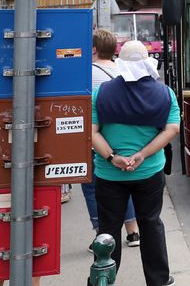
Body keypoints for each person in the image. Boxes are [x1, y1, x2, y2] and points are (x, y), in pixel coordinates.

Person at [91, 40, 181, 286]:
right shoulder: (165, 93)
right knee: (151, 223)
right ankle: (158, 280)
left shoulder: (102, 92)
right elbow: (172, 129)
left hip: (109, 175)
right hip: (149, 172)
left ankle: (103, 280)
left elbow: (92, 132)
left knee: (108, 229)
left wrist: (112, 157)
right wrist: (142, 154)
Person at [82, 29, 140, 247]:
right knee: (123, 183)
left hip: (93, 140)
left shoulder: (85, 73)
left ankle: (102, 236)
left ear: (94, 49)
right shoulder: (121, 72)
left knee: (92, 187)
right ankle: (133, 231)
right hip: (120, 139)